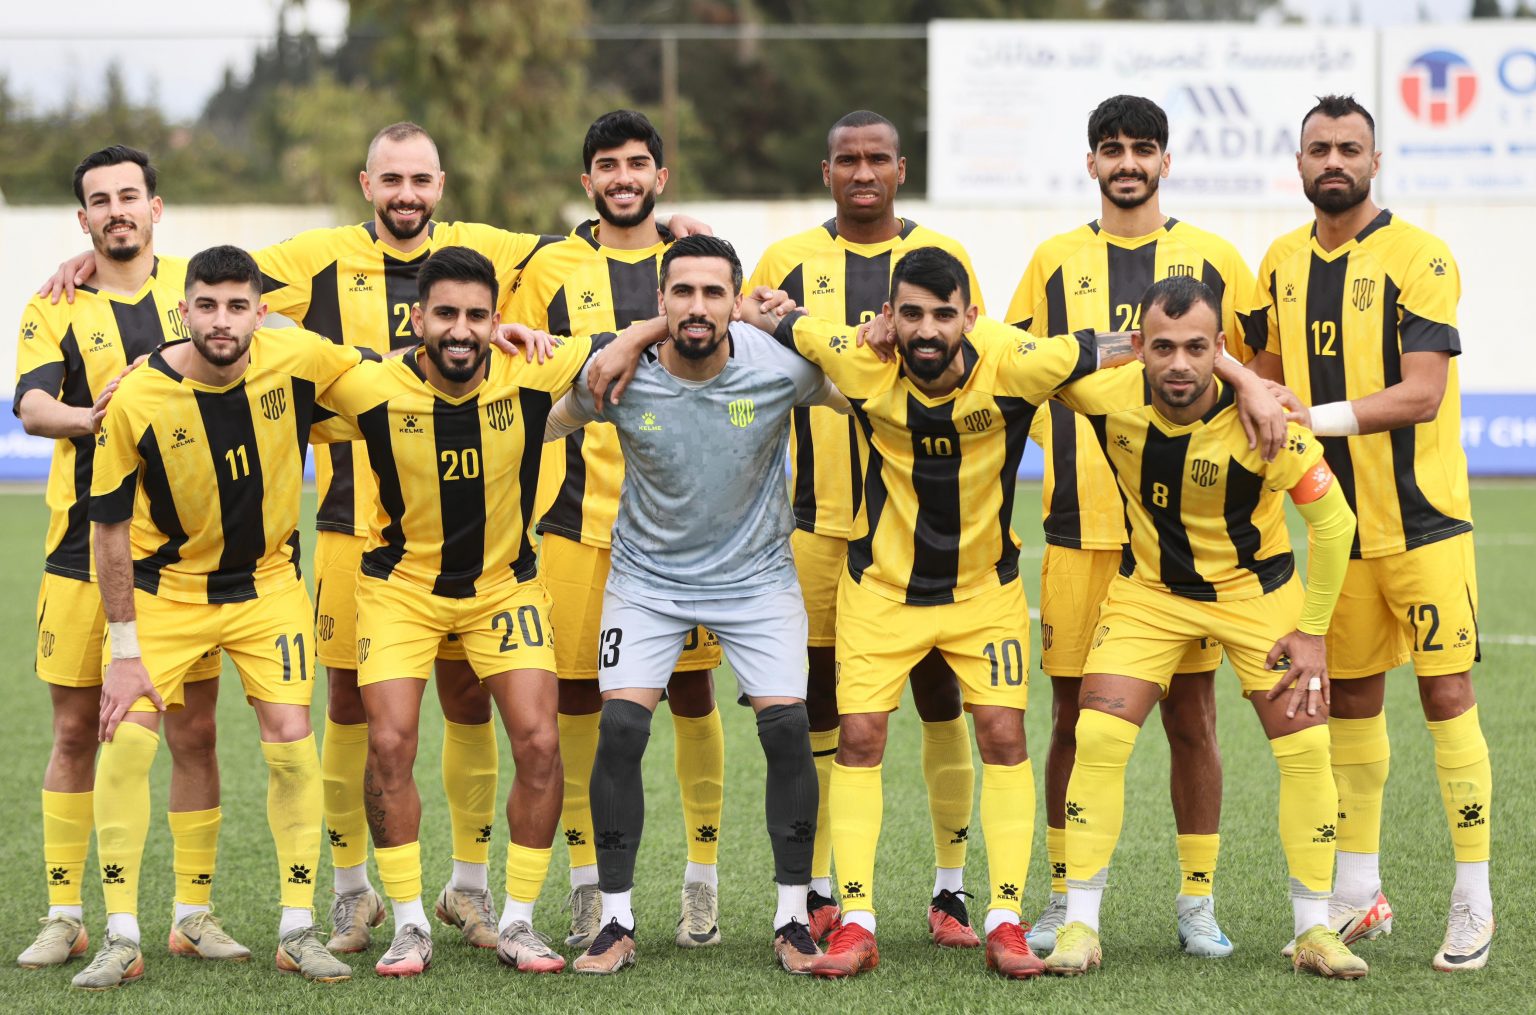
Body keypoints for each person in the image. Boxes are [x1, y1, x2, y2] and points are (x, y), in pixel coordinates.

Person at [42, 122, 712, 954]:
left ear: (441, 185)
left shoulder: (487, 251)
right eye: (390, 179)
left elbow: (591, 240)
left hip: (488, 556)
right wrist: (102, 263)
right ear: (367, 184)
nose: (406, 193)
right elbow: (220, 289)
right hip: (355, 534)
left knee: (475, 704)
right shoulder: (318, 262)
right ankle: (354, 895)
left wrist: (669, 230)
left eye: (420, 180)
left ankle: (474, 890)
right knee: (354, 714)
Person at [749, 247, 1276, 980]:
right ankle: (858, 922)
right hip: (882, 591)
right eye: (911, 314)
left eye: (943, 314)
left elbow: (1142, 344)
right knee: (860, 736)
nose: (926, 330)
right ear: (888, 318)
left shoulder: (1019, 362)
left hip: (983, 592)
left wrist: (1244, 379)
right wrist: (763, 307)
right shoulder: (856, 356)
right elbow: (776, 319)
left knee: (1002, 733)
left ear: (970, 317)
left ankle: (1002, 917)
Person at [312, 245, 654, 977]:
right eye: (445, 314)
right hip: (401, 588)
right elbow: (267, 353)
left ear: (497, 320)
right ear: (417, 320)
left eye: (476, 315)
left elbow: (619, 341)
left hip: (504, 586)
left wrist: (686, 310)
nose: (461, 330)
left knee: (539, 741)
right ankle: (409, 923)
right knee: (390, 742)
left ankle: (519, 921)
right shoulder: (371, 384)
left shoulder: (530, 369)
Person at [1036, 275, 1365, 980]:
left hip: (1256, 592)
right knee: (1097, 735)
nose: (1179, 363)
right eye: (1163, 347)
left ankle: (1314, 928)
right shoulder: (1104, 394)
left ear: (1219, 348)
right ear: (1138, 347)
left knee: (1306, 745)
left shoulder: (1266, 424)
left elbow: (1335, 524)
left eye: (1196, 348)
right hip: (1151, 593)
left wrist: (1312, 632)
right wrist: (1237, 372)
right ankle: (1079, 925)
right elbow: (1018, 357)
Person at [1004, 95, 1262, 956]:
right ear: (1092, 163)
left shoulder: (1216, 257)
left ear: (1165, 161)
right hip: (1080, 530)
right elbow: (1020, 369)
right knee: (1073, 722)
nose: (1127, 162)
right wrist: (1074, 429)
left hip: (1185, 543)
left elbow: (1252, 369)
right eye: (1111, 148)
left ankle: (1197, 902)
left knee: (1193, 720)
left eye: (1142, 148)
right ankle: (1063, 895)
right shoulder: (1053, 260)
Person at [1247, 94, 1493, 972]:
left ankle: (1473, 898)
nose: (1334, 161)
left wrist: (1306, 416)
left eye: (1350, 147)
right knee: (1348, 701)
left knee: (1447, 696)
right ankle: (1359, 895)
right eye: (1319, 148)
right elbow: (1263, 381)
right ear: (1300, 162)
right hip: (1335, 534)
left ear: (1375, 161)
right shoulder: (1279, 262)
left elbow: (1422, 393)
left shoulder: (1419, 255)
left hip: (1424, 524)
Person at [80, 245, 370, 988]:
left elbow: (386, 373)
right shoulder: (138, 396)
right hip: (165, 591)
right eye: (206, 305)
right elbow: (107, 528)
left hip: (266, 587)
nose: (221, 320)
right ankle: (122, 935)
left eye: (238, 306)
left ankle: (296, 929)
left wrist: (480, 343)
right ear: (183, 310)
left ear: (261, 312)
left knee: (292, 746)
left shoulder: (297, 357)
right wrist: (124, 649)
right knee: (128, 746)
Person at [546, 235, 835, 975]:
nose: (698, 306)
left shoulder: (781, 368)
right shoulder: (622, 374)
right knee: (619, 728)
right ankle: (615, 921)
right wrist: (608, 348)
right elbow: (542, 420)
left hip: (757, 577)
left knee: (788, 731)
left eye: (714, 293)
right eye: (683, 292)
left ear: (736, 302)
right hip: (647, 579)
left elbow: (869, 394)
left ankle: (793, 917)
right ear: (660, 302)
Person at [745, 110, 985, 946]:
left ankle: (951, 889)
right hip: (816, 522)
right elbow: (749, 340)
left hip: (925, 526)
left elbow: (971, 364)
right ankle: (819, 886)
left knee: (940, 693)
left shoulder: (943, 256)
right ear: (826, 172)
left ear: (900, 168)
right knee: (822, 701)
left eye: (877, 158)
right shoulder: (786, 261)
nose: (862, 172)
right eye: (846, 159)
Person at [13, 145, 236, 973]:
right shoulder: (56, 303)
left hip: (183, 561)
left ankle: (192, 914)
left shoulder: (197, 291)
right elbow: (32, 404)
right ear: (84, 219)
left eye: (129, 195)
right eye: (100, 200)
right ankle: (65, 915)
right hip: (83, 550)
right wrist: (93, 417)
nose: (117, 210)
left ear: (155, 207)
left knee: (196, 734)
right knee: (76, 731)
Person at [508, 110, 727, 951]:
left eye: (638, 163)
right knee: (576, 702)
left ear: (660, 177)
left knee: (692, 696)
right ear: (587, 179)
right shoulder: (550, 267)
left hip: (680, 528)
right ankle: (588, 886)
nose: (623, 177)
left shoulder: (694, 259)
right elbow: (525, 366)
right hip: (575, 522)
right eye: (608, 164)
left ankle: (702, 882)